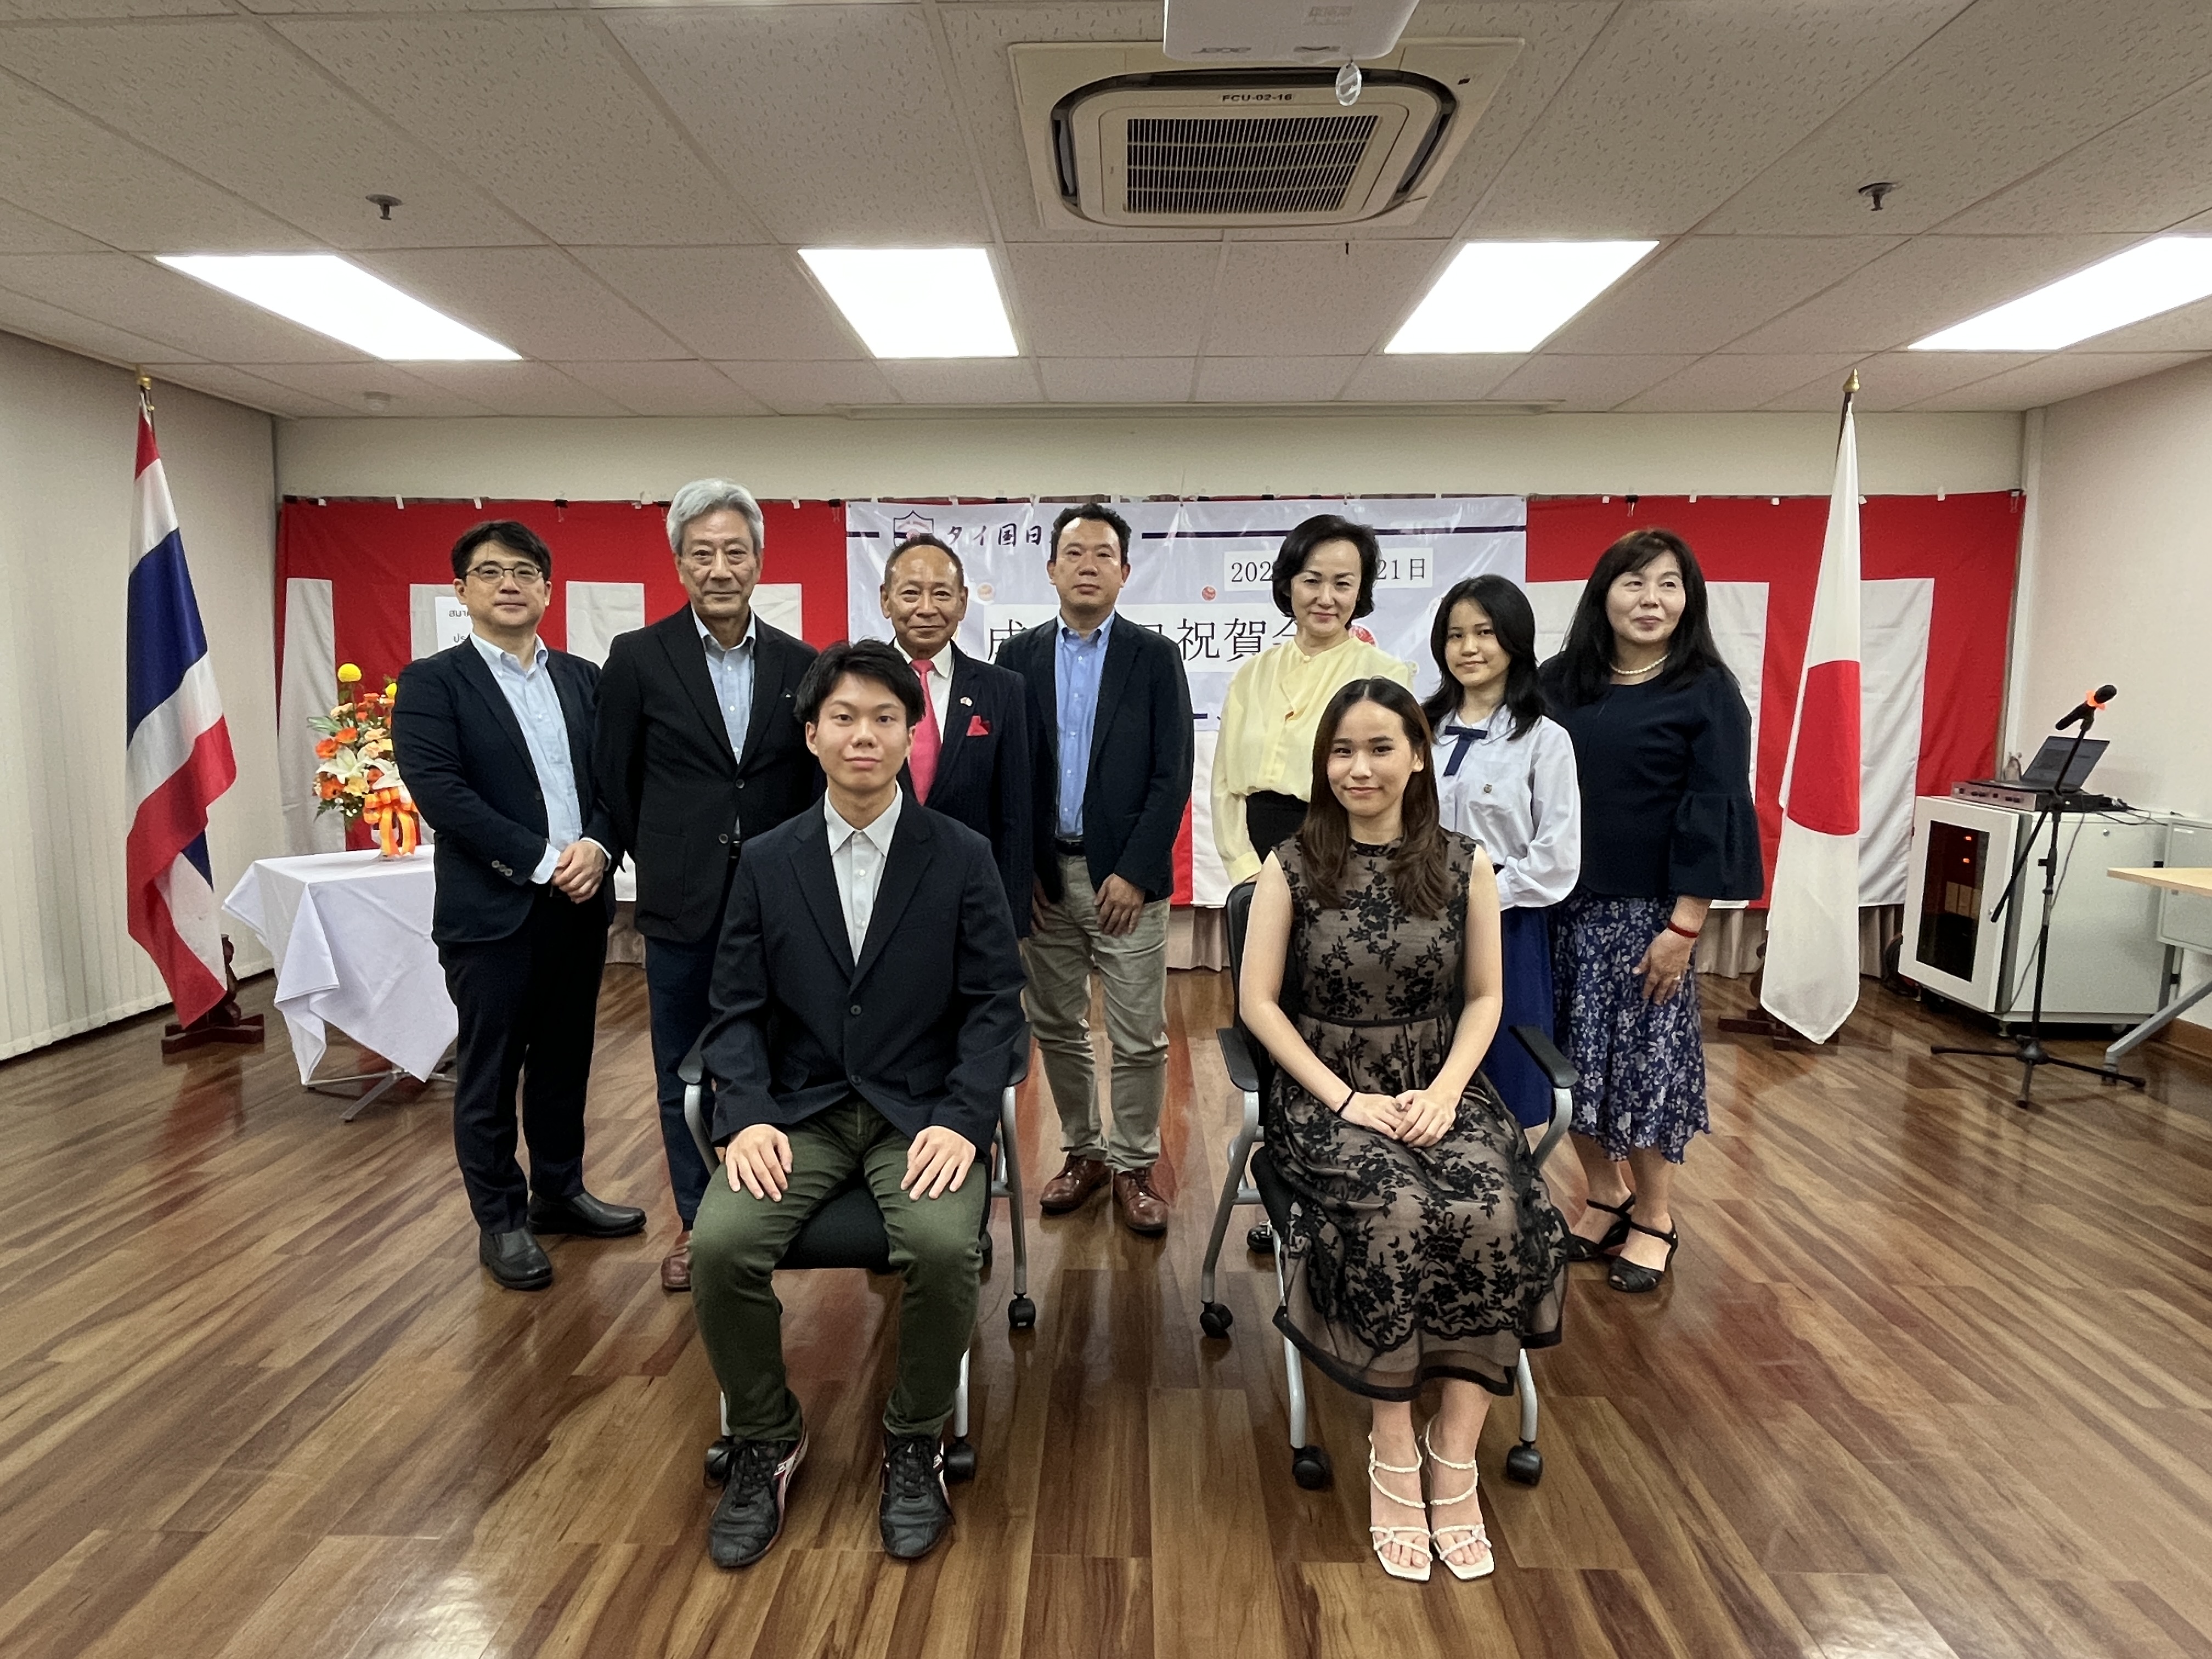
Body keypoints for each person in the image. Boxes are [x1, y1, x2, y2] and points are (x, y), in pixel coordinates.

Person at [689, 639, 1025, 1569]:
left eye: (885, 717)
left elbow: (995, 1004)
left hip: (921, 1111)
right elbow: (734, 1007)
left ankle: (914, 1437)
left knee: (944, 1246)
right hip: (798, 1110)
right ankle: (767, 1435)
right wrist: (748, 1110)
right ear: (812, 734)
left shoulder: (961, 856)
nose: (864, 735)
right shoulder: (767, 859)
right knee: (719, 1245)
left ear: (912, 734)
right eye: (843, 717)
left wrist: (963, 1118)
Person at [1238, 678, 1567, 1584]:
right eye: (1342, 751)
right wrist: (1345, 1101)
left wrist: (1448, 1091)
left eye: (1381, 747)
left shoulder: (1465, 863)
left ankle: (1453, 1457)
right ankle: (1391, 1444)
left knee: (1495, 1211)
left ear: (1418, 756)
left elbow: (1486, 997)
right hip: (1325, 1090)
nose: (1360, 767)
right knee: (1396, 1214)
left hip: (1438, 1082)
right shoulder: (1291, 864)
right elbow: (1258, 1005)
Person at [394, 521, 644, 1291]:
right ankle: (501, 1220)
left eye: (526, 572)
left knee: (566, 1062)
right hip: (492, 912)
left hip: (581, 902)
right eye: (491, 571)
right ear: (461, 589)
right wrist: (543, 862)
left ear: (547, 588)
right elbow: (443, 795)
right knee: (492, 1069)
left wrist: (598, 845)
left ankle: (559, 1192)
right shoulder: (433, 683)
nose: (510, 584)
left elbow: (617, 780)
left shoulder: (584, 679)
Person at [594, 479, 822, 1294]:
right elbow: (615, 778)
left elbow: (810, 783)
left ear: (758, 561)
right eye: (703, 554)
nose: (719, 569)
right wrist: (666, 853)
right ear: (679, 564)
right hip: (680, 904)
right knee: (681, 1071)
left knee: (784, 1060)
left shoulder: (801, 662)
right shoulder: (637, 657)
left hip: (782, 905)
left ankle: (773, 1213)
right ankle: (699, 1222)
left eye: (735, 552)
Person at [1540, 528, 1762, 1293]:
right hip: (1558, 909)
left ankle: (1656, 1218)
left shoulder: (1707, 691)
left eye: (1669, 584)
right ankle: (1605, 1197)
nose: (1651, 599)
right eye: (1634, 583)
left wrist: (1684, 928)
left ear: (1688, 600)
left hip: (1646, 921)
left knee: (1642, 1073)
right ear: (1604, 593)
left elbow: (1717, 810)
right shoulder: (1560, 682)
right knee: (1565, 1066)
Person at [995, 503, 1194, 1235]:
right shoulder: (1015, 658)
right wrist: (1024, 870)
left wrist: (1136, 872)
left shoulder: (1154, 657)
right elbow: (1008, 774)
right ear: (1051, 569)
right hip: (1045, 882)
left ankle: (1135, 1162)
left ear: (1124, 571)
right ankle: (1085, 1153)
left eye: (1103, 554)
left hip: (1125, 883)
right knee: (1057, 1025)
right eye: (1073, 553)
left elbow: (1172, 774)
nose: (1087, 565)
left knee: (1139, 1033)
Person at [1420, 575, 1582, 1130]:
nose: (1468, 648)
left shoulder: (1545, 739)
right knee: (1421, 1070)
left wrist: (1481, 898)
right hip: (1417, 918)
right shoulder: (1419, 729)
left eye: (1485, 633)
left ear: (1515, 639)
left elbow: (1556, 857)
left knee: (1506, 1085)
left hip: (1507, 925)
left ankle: (1507, 1179)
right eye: (1455, 635)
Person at [1213, 514, 1413, 883]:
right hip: (1257, 863)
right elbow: (1224, 785)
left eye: (1342, 584)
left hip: (1347, 862)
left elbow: (1395, 787)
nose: (1326, 598)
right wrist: (1245, 869)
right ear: (1289, 584)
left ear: (1360, 592)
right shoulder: (1250, 675)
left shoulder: (1386, 676)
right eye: (1312, 581)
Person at [879, 534, 1034, 933]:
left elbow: (1015, 817)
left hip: (971, 901)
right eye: (911, 593)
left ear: (963, 602)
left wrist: (1011, 925)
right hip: (874, 895)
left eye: (942, 594)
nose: (926, 608)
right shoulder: (857, 685)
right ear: (886, 600)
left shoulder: (1003, 689)